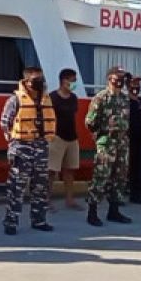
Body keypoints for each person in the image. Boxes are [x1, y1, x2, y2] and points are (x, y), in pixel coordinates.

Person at [0, 66, 55, 235]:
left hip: (41, 146)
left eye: (41, 79)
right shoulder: (15, 100)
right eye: (36, 79)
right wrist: (13, 141)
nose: (40, 82)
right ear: (26, 81)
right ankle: (11, 221)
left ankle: (39, 220)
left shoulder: (46, 99)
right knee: (17, 186)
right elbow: (4, 122)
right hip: (22, 146)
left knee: (40, 186)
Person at [85, 67, 133, 227]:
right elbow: (90, 122)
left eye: (122, 78)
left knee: (120, 177)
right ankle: (92, 212)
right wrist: (101, 134)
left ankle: (114, 211)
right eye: (117, 78)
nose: (120, 82)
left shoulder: (125, 99)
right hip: (106, 142)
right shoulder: (101, 98)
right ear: (109, 79)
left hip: (122, 143)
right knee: (101, 177)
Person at [47, 68, 81, 210]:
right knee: (51, 171)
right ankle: (46, 200)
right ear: (63, 81)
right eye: (72, 80)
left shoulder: (73, 98)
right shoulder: (52, 97)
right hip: (57, 137)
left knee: (70, 170)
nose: (74, 84)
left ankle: (69, 200)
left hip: (72, 138)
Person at [125, 75, 141, 204]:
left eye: (137, 85)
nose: (136, 87)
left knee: (138, 166)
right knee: (126, 166)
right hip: (129, 138)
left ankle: (136, 194)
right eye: (133, 84)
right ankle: (121, 194)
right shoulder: (124, 101)